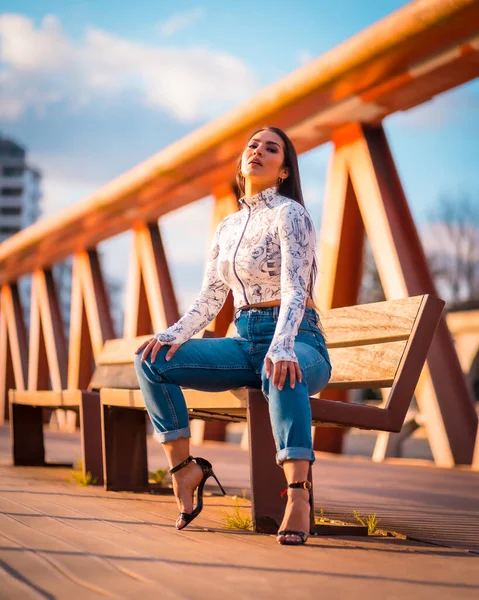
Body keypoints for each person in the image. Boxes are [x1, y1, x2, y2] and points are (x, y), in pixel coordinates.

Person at [134, 126, 332, 546]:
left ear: (283, 170)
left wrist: (281, 345)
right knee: (151, 360)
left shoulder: (290, 214)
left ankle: (298, 494)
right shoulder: (227, 227)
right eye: (253, 145)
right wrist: (171, 334)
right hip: (243, 340)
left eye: (271, 148)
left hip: (299, 339)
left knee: (284, 370)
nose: (258, 151)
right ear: (243, 161)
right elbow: (209, 299)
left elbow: (297, 288)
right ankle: (184, 468)